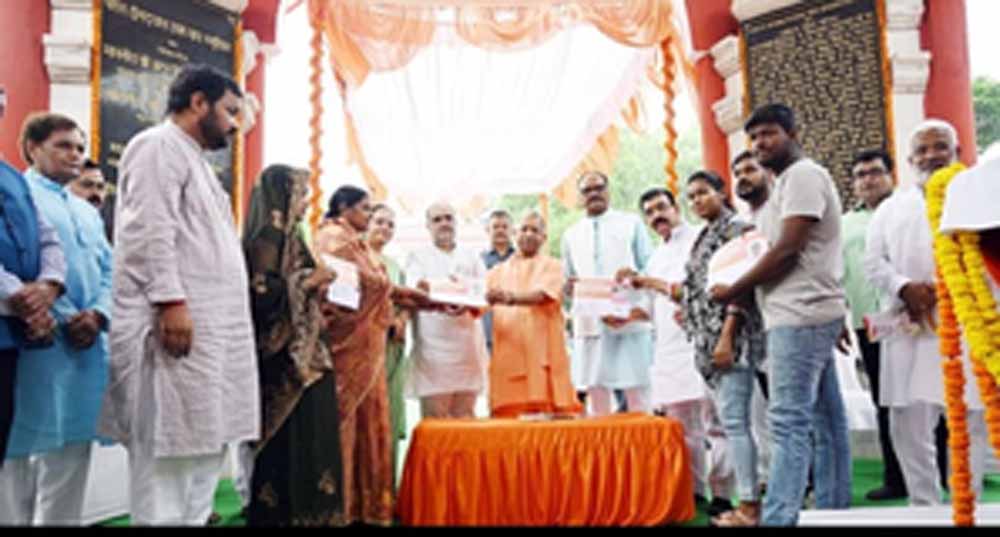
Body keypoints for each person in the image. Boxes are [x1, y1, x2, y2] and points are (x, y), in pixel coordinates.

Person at [97, 64, 260, 525]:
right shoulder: (156, 146)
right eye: (230, 111)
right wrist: (171, 302)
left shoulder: (196, 161)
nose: (234, 125)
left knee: (203, 448)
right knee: (168, 458)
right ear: (198, 102)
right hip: (176, 327)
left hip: (211, 334)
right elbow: (150, 230)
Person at [711, 104, 851, 526]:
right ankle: (832, 512)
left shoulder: (804, 176)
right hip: (804, 311)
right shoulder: (783, 185)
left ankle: (779, 518)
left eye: (769, 133)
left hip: (799, 313)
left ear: (793, 133)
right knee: (825, 421)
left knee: (787, 421)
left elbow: (788, 251)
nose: (760, 144)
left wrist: (734, 289)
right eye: (754, 137)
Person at [863, 119, 989, 506]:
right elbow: (873, 262)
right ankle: (924, 504)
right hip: (909, 325)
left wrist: (947, 289)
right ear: (910, 159)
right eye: (922, 150)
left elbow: (991, 256)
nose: (931, 155)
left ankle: (967, 499)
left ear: (958, 153)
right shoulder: (891, 208)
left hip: (964, 321)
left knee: (970, 416)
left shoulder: (979, 198)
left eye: (940, 147)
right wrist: (905, 287)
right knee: (907, 419)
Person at [0, 113, 112, 526]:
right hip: (36, 339)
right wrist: (58, 315)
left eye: (80, 147)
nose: (75, 155)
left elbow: (108, 269)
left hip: (84, 348)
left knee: (72, 452)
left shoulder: (86, 211)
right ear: (33, 148)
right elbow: (28, 266)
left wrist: (98, 314)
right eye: (63, 145)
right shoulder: (21, 193)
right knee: (17, 454)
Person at [314, 186, 430, 526]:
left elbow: (375, 283)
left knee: (372, 422)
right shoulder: (333, 237)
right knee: (346, 424)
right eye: (364, 209)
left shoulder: (356, 242)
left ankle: (367, 505)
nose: (368, 215)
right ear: (343, 207)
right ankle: (340, 505)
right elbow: (352, 288)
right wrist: (400, 292)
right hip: (346, 347)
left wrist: (409, 297)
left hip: (369, 344)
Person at [621, 186, 735, 517]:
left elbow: (695, 292)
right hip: (669, 352)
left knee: (716, 423)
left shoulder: (699, 240)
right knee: (683, 429)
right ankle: (694, 490)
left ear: (676, 208)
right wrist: (625, 316)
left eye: (661, 207)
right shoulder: (656, 255)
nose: (657, 216)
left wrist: (647, 282)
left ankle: (723, 494)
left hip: (701, 343)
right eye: (650, 212)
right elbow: (652, 308)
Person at [241, 165, 343, 526]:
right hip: (284, 361)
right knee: (289, 443)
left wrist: (314, 285)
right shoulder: (267, 236)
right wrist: (308, 281)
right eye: (301, 195)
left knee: (315, 438)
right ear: (282, 196)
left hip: (312, 354)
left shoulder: (294, 236)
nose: (306, 203)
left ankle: (315, 515)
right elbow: (260, 291)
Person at [676, 171, 766, 526]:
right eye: (691, 196)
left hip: (731, 340)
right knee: (732, 423)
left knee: (736, 423)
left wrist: (728, 335)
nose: (697, 201)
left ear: (720, 192)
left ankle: (750, 505)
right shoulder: (705, 235)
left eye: (703, 193)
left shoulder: (737, 230)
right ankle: (748, 499)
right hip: (708, 342)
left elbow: (742, 287)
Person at [841, 149, 908, 501]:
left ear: (891, 175)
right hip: (869, 322)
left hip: (911, 317)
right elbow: (838, 273)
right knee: (885, 399)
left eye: (875, 172)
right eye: (860, 174)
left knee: (925, 398)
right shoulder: (845, 223)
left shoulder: (908, 211)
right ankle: (895, 478)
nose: (868, 180)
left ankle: (942, 470)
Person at [561, 171, 654, 415]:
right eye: (587, 190)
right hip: (591, 323)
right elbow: (568, 280)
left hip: (627, 319)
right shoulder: (571, 234)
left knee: (637, 393)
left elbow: (649, 266)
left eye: (599, 188)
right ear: (580, 197)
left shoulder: (631, 223)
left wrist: (634, 275)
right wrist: (570, 288)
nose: (594, 194)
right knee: (596, 392)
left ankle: (642, 440)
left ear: (608, 190)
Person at [484, 210, 582, 418]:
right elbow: (479, 303)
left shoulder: (554, 266)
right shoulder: (496, 272)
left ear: (544, 237)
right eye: (524, 229)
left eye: (535, 230)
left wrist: (509, 298)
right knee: (509, 421)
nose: (528, 234)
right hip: (510, 354)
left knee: (547, 421)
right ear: (515, 233)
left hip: (543, 354)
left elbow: (543, 295)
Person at [405, 201, 489, 419]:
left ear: (456, 222)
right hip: (432, 348)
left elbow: (484, 294)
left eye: (448, 218)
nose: (444, 223)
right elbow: (415, 292)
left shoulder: (471, 255)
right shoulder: (417, 256)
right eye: (437, 219)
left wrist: (466, 300)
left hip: (467, 347)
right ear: (428, 226)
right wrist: (446, 296)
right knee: (435, 417)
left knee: (466, 414)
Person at [731, 150, 774, 494]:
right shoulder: (742, 227)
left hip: (785, 321)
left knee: (790, 411)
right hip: (753, 331)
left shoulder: (780, 212)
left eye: (750, 169)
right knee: (760, 412)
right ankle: (769, 476)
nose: (744, 177)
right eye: (738, 173)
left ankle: (811, 485)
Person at [367, 203, 409, 483]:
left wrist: (403, 318)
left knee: (389, 416)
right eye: (379, 221)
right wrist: (385, 320)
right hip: (365, 350)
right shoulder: (356, 258)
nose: (385, 228)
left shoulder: (394, 265)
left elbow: (404, 302)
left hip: (392, 348)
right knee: (368, 419)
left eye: (390, 224)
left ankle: (386, 491)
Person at [480, 209, 514, 355]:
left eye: (504, 227)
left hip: (517, 332)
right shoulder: (479, 261)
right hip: (488, 331)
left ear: (512, 230)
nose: (500, 230)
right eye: (495, 227)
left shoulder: (522, 259)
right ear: (487, 230)